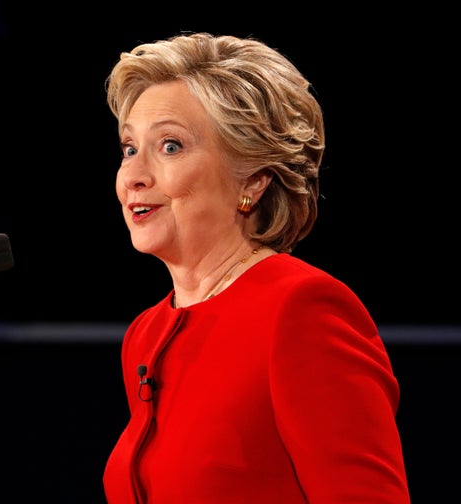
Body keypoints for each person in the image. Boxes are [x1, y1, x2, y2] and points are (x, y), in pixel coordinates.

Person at [101, 32, 411, 503]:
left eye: (169, 146)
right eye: (129, 148)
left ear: (254, 178)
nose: (134, 176)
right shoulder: (146, 334)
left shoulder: (301, 310)